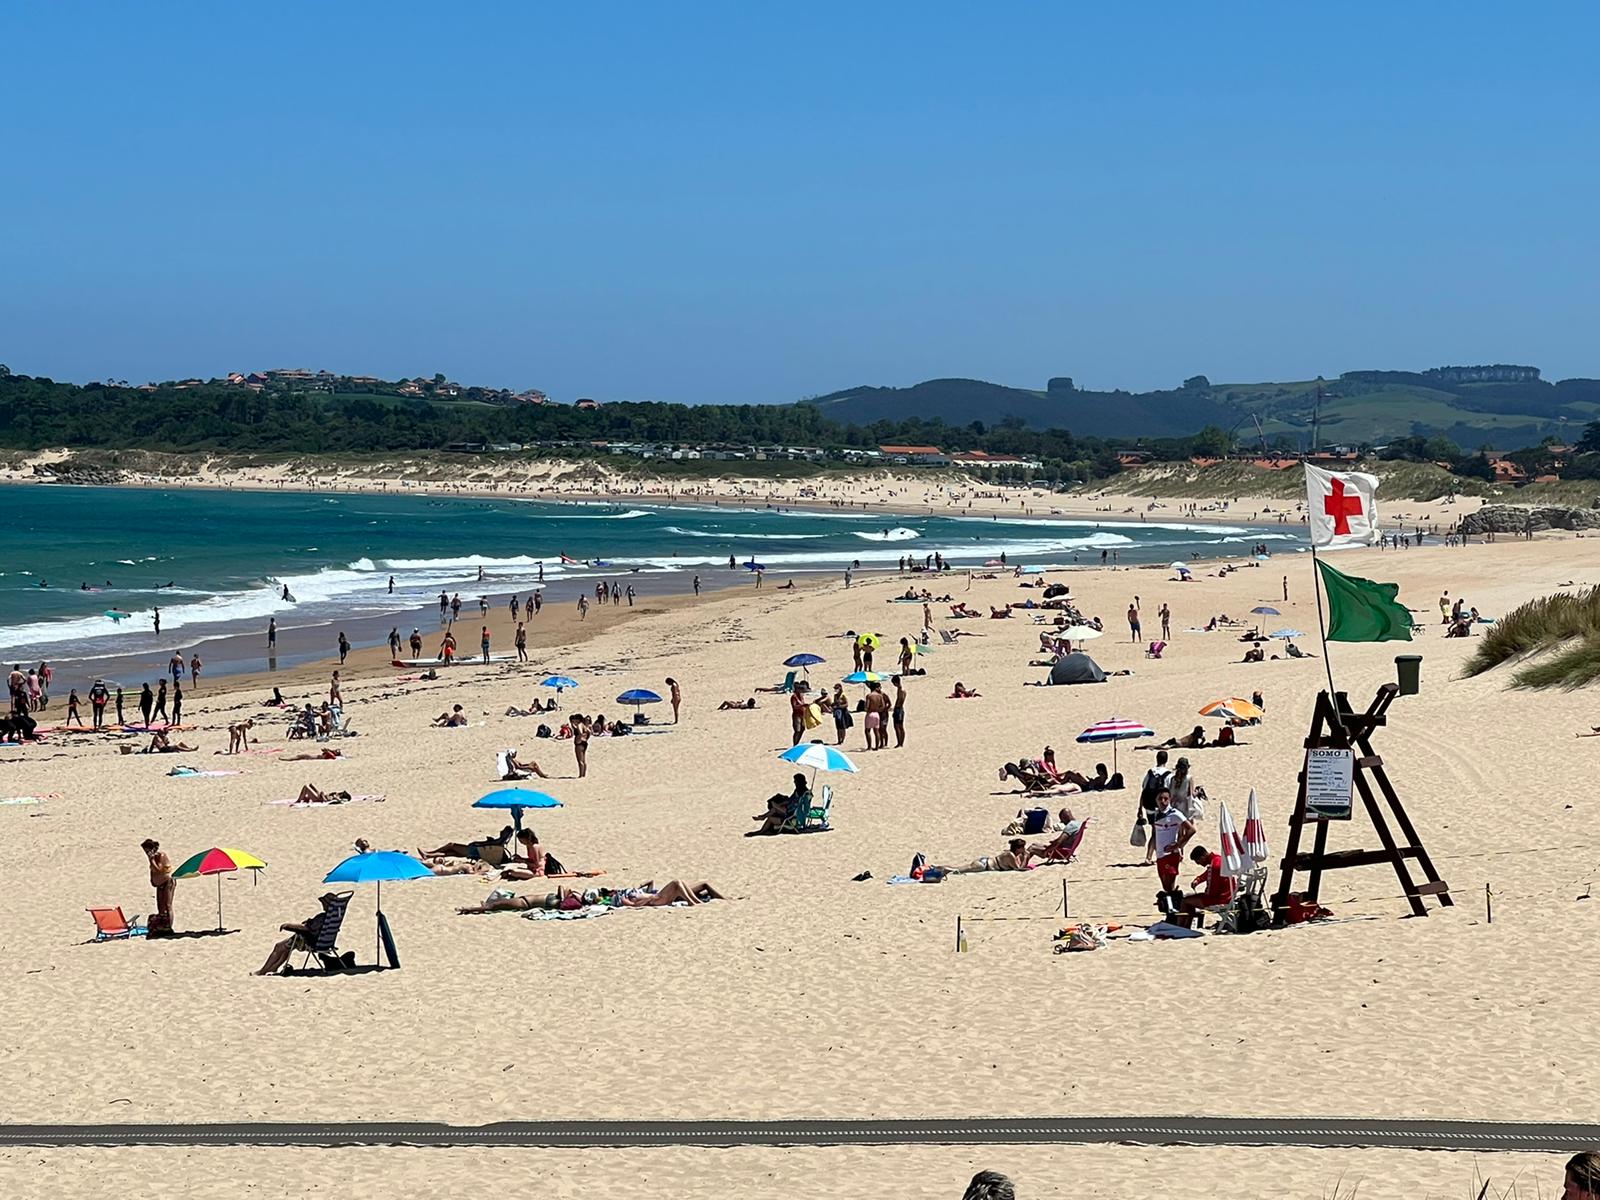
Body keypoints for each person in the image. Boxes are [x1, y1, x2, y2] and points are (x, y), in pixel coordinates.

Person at [254, 893, 353, 975]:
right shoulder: (332, 918)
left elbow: (306, 928)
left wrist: (287, 925)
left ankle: (262, 971)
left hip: (309, 942)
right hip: (325, 942)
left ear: (327, 905)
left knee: (279, 946)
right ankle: (275, 967)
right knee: (287, 947)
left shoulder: (322, 917)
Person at [1173, 843, 1237, 927]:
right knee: (1190, 898)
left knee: (1186, 901)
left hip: (1220, 899)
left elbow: (1212, 890)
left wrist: (1202, 896)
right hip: (1228, 895)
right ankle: (1185, 926)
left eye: (1198, 862)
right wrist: (1198, 880)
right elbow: (1208, 874)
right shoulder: (1218, 859)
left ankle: (1181, 927)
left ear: (1202, 857)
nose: (1200, 864)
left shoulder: (1214, 866)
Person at [1149, 788, 1196, 893]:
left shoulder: (1175, 814)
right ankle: (1174, 899)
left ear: (1170, 799)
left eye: (1165, 799)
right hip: (1160, 855)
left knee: (1169, 885)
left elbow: (1191, 830)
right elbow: (1155, 834)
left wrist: (1178, 845)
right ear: (1156, 800)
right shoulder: (1155, 814)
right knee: (1165, 887)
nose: (1163, 801)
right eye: (1160, 799)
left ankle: (1175, 902)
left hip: (1171, 854)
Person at [420, 826, 515, 866]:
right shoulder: (500, 841)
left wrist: (478, 843)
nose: (501, 831)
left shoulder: (499, 841)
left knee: (451, 845)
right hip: (478, 852)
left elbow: (486, 845)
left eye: (503, 831)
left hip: (475, 851)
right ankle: (428, 856)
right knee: (453, 852)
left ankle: (430, 853)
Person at [938, 838, 1032, 873]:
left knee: (958, 868)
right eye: (1022, 847)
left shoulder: (1011, 854)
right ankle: (942, 868)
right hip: (984, 865)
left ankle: (941, 868)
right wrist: (1026, 857)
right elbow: (1018, 868)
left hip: (985, 862)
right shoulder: (1010, 855)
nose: (1024, 849)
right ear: (1018, 848)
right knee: (957, 870)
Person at [142, 838, 175, 935]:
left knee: (167, 905)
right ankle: (162, 926)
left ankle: (169, 927)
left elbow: (159, 870)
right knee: (160, 906)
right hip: (159, 884)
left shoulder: (161, 856)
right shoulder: (152, 858)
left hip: (167, 882)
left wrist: (151, 860)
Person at [788, 681, 811, 747]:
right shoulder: (794, 697)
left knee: (802, 729)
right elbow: (794, 706)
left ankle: (797, 743)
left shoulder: (801, 696)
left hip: (802, 714)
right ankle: (795, 744)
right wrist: (802, 705)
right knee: (797, 730)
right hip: (796, 715)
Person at [891, 674, 907, 748]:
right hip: (899, 709)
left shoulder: (901, 690)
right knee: (898, 726)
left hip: (899, 709)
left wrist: (896, 708)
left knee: (898, 726)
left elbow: (900, 700)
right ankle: (900, 742)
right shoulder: (900, 689)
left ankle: (900, 742)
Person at [571, 713, 590, 777]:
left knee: (580, 761)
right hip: (584, 743)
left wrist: (579, 738)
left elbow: (580, 733)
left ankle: (581, 775)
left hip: (579, 743)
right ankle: (583, 774)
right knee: (583, 760)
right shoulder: (584, 725)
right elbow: (589, 732)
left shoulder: (579, 725)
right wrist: (586, 738)